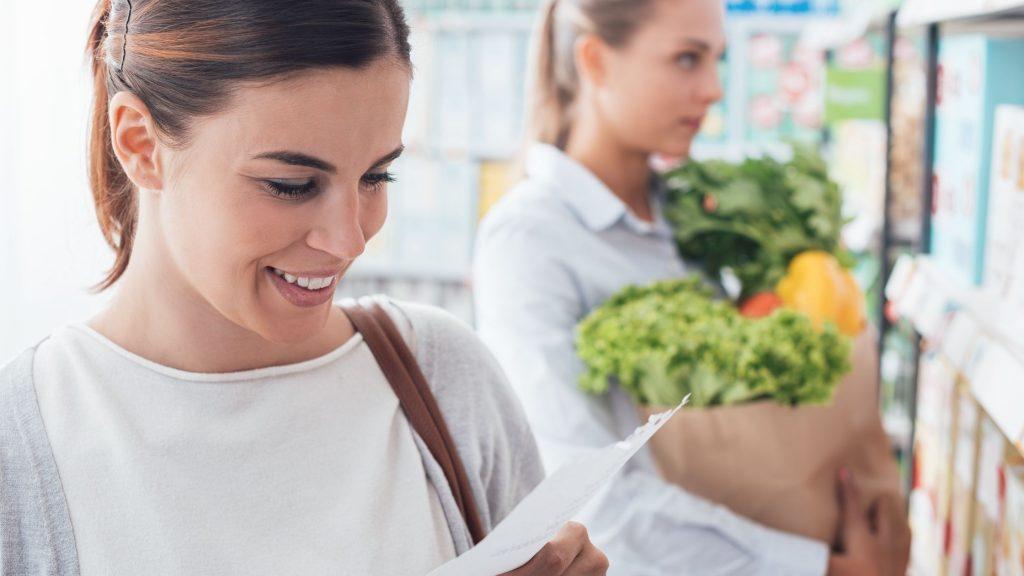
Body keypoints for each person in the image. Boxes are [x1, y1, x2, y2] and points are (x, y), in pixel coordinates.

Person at [0, 1, 610, 575]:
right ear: (139, 143)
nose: (350, 241)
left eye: (377, 175)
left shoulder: (444, 378)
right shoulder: (22, 444)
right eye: (292, 184)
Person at [473, 0, 912, 574]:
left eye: (718, 62)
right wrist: (821, 567)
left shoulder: (693, 215)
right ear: (596, 61)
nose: (712, 90)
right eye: (687, 59)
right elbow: (589, 498)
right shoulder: (530, 238)